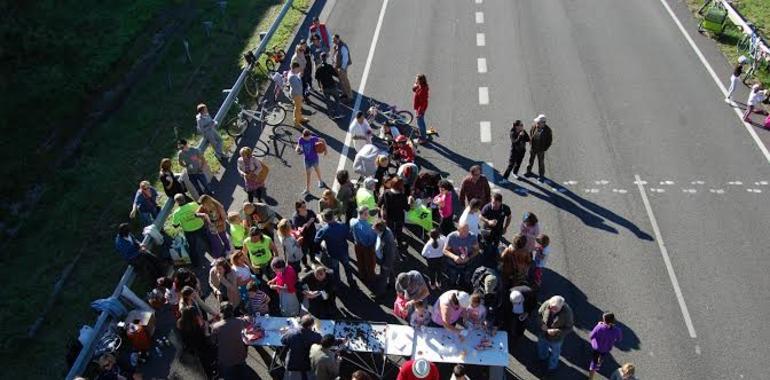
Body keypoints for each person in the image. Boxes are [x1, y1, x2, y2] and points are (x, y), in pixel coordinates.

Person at [315, 209, 356, 288]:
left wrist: (322, 246)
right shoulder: (342, 225)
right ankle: (351, 281)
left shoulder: (324, 230)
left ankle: (338, 284)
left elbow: (316, 240)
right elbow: (349, 236)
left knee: (336, 270)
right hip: (343, 251)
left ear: (325, 219)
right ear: (333, 216)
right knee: (347, 267)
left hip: (332, 253)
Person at [210, 302, 248, 379]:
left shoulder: (216, 327)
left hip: (226, 358)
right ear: (232, 311)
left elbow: (213, 341)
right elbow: (246, 321)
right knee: (243, 374)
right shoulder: (239, 321)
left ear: (221, 312)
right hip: (239, 354)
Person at [177, 305, 217, 378]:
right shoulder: (197, 326)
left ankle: (209, 375)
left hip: (193, 348)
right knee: (208, 360)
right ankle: (212, 373)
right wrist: (207, 329)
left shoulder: (180, 323)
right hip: (203, 347)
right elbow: (206, 335)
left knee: (203, 364)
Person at [537, 295, 574, 373]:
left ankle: (552, 368)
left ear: (561, 307)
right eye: (551, 307)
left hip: (556, 339)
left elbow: (569, 328)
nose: (552, 310)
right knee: (542, 347)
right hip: (543, 334)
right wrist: (541, 324)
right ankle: (542, 359)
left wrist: (557, 331)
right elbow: (539, 314)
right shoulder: (547, 304)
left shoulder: (567, 313)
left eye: (555, 309)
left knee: (555, 354)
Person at [281, 315, 323, 380]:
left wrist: (285, 333)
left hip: (292, 363)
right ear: (310, 326)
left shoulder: (291, 332)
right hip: (306, 364)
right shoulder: (314, 336)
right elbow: (323, 340)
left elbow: (283, 341)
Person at [171, 194, 207, 267]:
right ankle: (215, 251)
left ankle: (196, 263)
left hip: (189, 231)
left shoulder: (176, 213)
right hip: (200, 226)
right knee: (206, 239)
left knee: (192, 247)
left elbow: (175, 225)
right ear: (184, 199)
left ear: (177, 203)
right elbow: (200, 212)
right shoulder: (193, 204)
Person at [443, 223, 480, 288]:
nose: (466, 234)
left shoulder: (472, 237)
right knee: (452, 278)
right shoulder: (452, 237)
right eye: (463, 232)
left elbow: (477, 250)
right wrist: (454, 257)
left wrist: (469, 257)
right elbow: (445, 250)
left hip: (467, 264)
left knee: (465, 279)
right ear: (458, 230)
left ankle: (463, 286)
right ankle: (452, 287)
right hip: (454, 264)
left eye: (467, 231)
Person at [588, 312, 624, 379]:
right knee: (602, 356)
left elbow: (591, 336)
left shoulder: (599, 327)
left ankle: (591, 377)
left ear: (605, 320)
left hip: (597, 347)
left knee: (594, 362)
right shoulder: (617, 330)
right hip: (606, 348)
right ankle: (599, 364)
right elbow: (619, 339)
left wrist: (598, 325)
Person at [378, 176, 409, 247]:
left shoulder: (386, 192)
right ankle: (399, 243)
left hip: (389, 216)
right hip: (399, 217)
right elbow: (407, 208)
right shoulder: (402, 196)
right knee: (399, 231)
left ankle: (390, 243)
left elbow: (379, 203)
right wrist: (409, 202)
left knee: (390, 230)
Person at [350, 206, 378, 285]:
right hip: (367, 248)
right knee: (370, 263)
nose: (368, 215)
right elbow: (370, 241)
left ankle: (362, 274)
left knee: (360, 261)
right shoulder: (367, 227)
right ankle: (371, 277)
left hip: (357, 245)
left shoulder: (352, 221)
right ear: (364, 214)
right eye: (367, 214)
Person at [296, 129, 328, 195]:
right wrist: (297, 149)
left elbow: (323, 140)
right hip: (307, 160)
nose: (306, 139)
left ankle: (320, 181)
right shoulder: (301, 139)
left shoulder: (313, 139)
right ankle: (307, 190)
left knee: (317, 170)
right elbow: (298, 146)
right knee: (308, 175)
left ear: (310, 136)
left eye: (307, 138)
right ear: (303, 136)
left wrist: (325, 150)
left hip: (314, 159)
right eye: (305, 138)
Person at [374, 220, 399, 294]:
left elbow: (389, 254)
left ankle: (381, 293)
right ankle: (392, 284)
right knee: (391, 272)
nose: (373, 230)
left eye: (375, 229)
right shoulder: (386, 230)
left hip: (386, 261)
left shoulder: (386, 240)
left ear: (379, 229)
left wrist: (385, 265)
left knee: (383, 278)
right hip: (389, 260)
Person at [315, 52, 342, 119]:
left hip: (324, 88)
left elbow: (317, 78)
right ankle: (337, 113)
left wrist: (319, 86)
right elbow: (336, 75)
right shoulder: (329, 66)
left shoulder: (318, 68)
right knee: (337, 99)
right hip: (332, 86)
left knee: (328, 102)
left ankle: (331, 115)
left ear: (321, 59)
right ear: (326, 58)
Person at [525, 114, 553, 181]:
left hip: (541, 149)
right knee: (530, 160)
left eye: (538, 122)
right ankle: (528, 171)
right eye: (537, 122)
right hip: (533, 147)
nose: (536, 123)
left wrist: (544, 148)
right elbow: (531, 132)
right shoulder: (534, 126)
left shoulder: (548, 131)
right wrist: (531, 141)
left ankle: (541, 175)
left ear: (543, 123)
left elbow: (549, 141)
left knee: (541, 162)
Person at [292, 200, 318, 269]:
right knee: (304, 252)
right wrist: (309, 222)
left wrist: (317, 219)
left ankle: (313, 259)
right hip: (303, 238)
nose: (305, 208)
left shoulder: (310, 212)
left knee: (312, 248)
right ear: (298, 208)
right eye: (303, 207)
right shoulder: (296, 217)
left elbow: (316, 219)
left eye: (305, 206)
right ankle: (305, 264)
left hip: (312, 234)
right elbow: (299, 230)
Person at [288, 62, 309, 127]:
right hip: (296, 94)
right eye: (298, 69)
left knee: (298, 108)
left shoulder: (293, 73)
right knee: (297, 109)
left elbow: (297, 78)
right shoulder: (292, 77)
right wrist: (301, 95)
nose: (299, 70)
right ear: (295, 68)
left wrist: (299, 75)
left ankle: (300, 118)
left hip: (296, 93)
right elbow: (298, 86)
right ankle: (296, 123)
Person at [332, 34, 352, 100]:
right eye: (333, 40)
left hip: (341, 68)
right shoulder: (336, 46)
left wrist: (342, 69)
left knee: (345, 82)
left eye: (334, 39)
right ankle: (344, 93)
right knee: (341, 81)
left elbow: (345, 59)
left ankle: (349, 96)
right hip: (338, 67)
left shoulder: (342, 47)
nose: (333, 41)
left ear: (338, 39)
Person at [412, 74, 431, 144]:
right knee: (420, 122)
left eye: (416, 79)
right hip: (418, 107)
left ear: (420, 81)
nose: (415, 80)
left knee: (420, 123)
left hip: (420, 109)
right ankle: (422, 133)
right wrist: (415, 86)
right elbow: (414, 90)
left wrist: (419, 112)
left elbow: (423, 103)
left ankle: (423, 138)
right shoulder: (419, 86)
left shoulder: (423, 90)